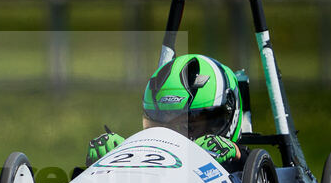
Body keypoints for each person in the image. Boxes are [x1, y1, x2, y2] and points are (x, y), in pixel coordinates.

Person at [85, 53, 247, 170]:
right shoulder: (148, 164)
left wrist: (237, 155)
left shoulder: (247, 168)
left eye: (191, 124)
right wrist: (115, 155)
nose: (181, 136)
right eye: (165, 125)